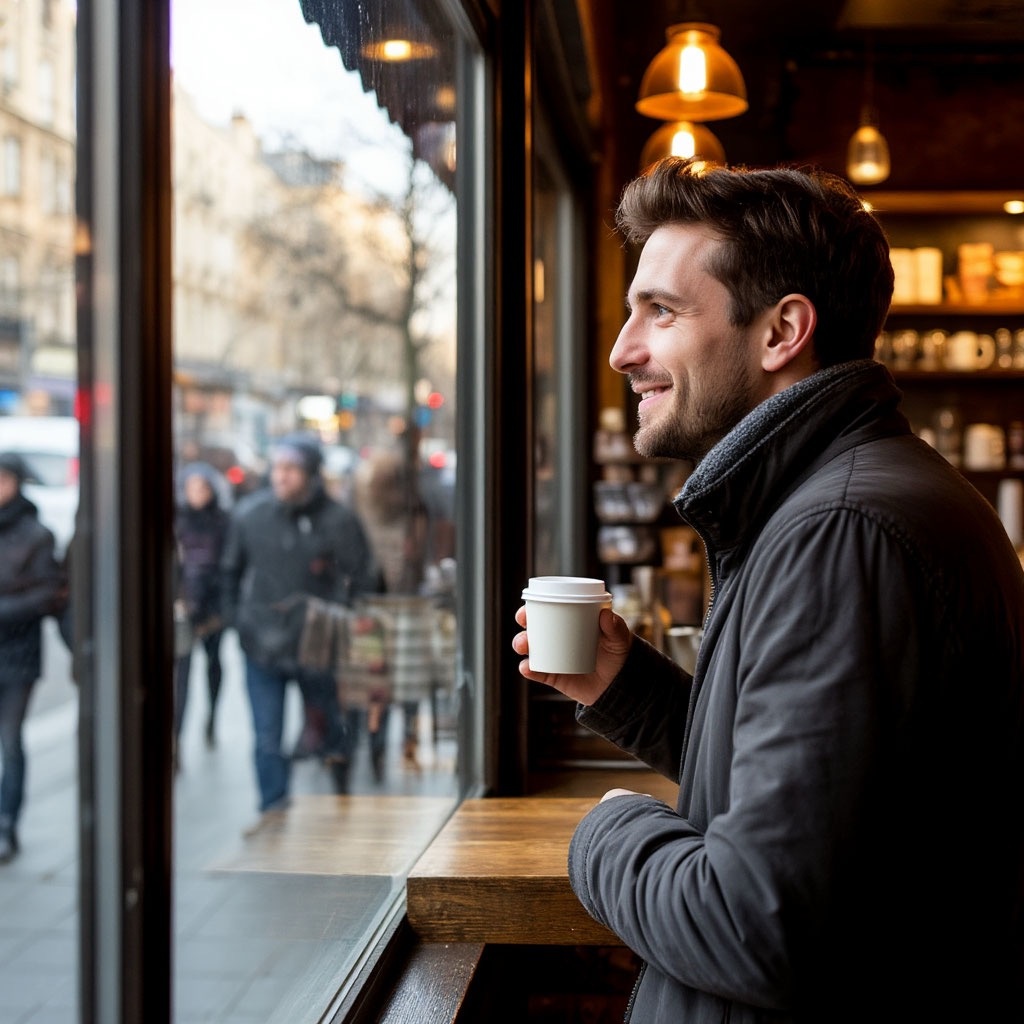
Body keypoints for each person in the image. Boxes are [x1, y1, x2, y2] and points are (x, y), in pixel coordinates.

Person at [513, 158, 1024, 1021]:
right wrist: (630, 691)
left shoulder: (843, 532)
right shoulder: (855, 500)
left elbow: (757, 925)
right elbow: (838, 797)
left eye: (661, 312)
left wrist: (604, 830)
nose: (621, 350)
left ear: (782, 331)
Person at [221, 432, 378, 824]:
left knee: (330, 730)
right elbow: (228, 573)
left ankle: (340, 792)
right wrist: (238, 622)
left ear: (310, 474)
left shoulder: (339, 520)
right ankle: (272, 808)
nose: (281, 477)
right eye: (277, 468)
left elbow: (364, 578)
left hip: (317, 647)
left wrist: (338, 619)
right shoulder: (250, 516)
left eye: (291, 469)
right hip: (262, 645)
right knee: (266, 736)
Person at [0, 452, 66, 863]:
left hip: (17, 652)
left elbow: (48, 594)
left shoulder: (36, 534)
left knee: (10, 741)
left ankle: (7, 822)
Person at [173, 462, 229, 759]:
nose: (197, 494)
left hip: (212, 608)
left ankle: (212, 716)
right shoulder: (178, 521)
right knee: (181, 674)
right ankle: (176, 737)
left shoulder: (222, 522)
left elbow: (228, 566)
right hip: (184, 607)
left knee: (213, 663)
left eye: (202, 488)